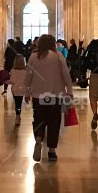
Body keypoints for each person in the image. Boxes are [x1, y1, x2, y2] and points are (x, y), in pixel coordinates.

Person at [25, 34, 73, 162]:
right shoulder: (58, 56)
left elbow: (28, 75)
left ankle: (39, 138)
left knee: (39, 119)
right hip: (55, 95)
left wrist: (26, 92)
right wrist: (70, 91)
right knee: (54, 122)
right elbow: (66, 74)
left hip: (38, 96)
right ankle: (51, 151)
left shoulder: (34, 56)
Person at [9, 44, 27, 123]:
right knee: (20, 102)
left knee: (17, 103)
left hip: (15, 89)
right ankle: (18, 115)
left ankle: (17, 116)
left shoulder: (13, 70)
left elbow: (12, 81)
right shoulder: (25, 71)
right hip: (22, 89)